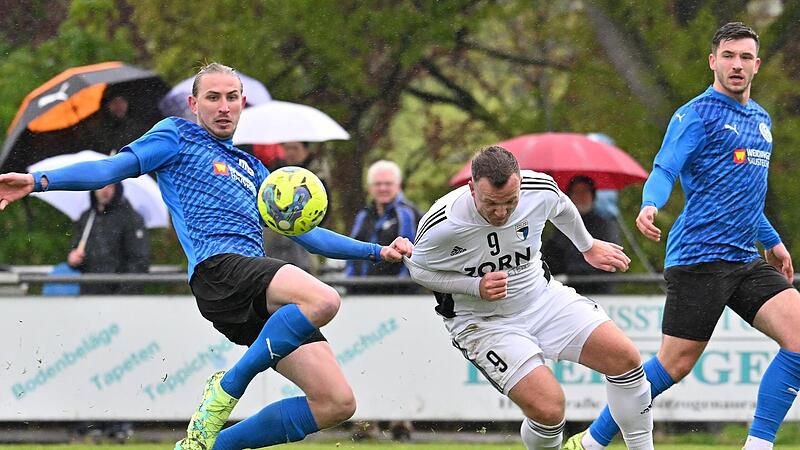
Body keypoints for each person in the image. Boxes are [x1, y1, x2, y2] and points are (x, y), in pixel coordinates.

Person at [0, 62, 413, 450]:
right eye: (213, 97)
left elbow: (308, 235)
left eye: (232, 97)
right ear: (194, 105)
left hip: (253, 292)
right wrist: (37, 180)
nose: (224, 106)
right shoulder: (175, 136)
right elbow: (110, 170)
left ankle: (204, 445)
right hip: (219, 270)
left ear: (242, 104)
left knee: (336, 402)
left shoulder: (254, 169)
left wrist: (378, 250)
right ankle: (228, 387)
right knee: (323, 299)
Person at [564, 22, 800, 450]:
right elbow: (665, 167)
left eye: (745, 57)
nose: (736, 65)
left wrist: (774, 240)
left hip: (745, 258)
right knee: (673, 365)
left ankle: (759, 445)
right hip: (699, 259)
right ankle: (590, 442)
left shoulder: (762, 120)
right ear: (713, 61)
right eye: (728, 56)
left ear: (757, 65)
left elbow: (744, 196)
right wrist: (650, 203)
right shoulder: (696, 114)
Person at [405, 146, 653, 449]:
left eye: (510, 202)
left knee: (625, 359)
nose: (501, 212)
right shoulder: (441, 223)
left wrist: (587, 246)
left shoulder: (540, 189)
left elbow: (561, 207)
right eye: (491, 203)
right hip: (484, 323)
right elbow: (418, 270)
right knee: (549, 409)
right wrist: (473, 287)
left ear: (520, 183)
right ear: (471, 189)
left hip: (542, 299)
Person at [345, 160, 423, 294]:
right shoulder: (363, 215)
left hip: (397, 294)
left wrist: (403, 289)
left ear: (398, 186)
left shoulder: (407, 213)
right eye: (378, 184)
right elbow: (351, 250)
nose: (383, 188)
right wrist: (351, 283)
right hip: (360, 292)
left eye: (388, 184)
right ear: (370, 188)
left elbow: (412, 254)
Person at [67, 183, 150, 295]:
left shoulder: (131, 218)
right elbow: (78, 251)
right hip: (90, 294)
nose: (105, 191)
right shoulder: (87, 217)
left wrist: (122, 294)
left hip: (121, 297)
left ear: (117, 188)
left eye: (110, 186)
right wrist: (74, 259)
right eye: (100, 186)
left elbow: (139, 261)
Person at [541, 175, 619, 294]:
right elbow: (551, 258)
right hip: (566, 292)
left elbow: (612, 259)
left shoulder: (604, 225)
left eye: (585, 191)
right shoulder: (560, 225)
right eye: (576, 192)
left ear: (593, 196)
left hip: (599, 292)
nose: (581, 196)